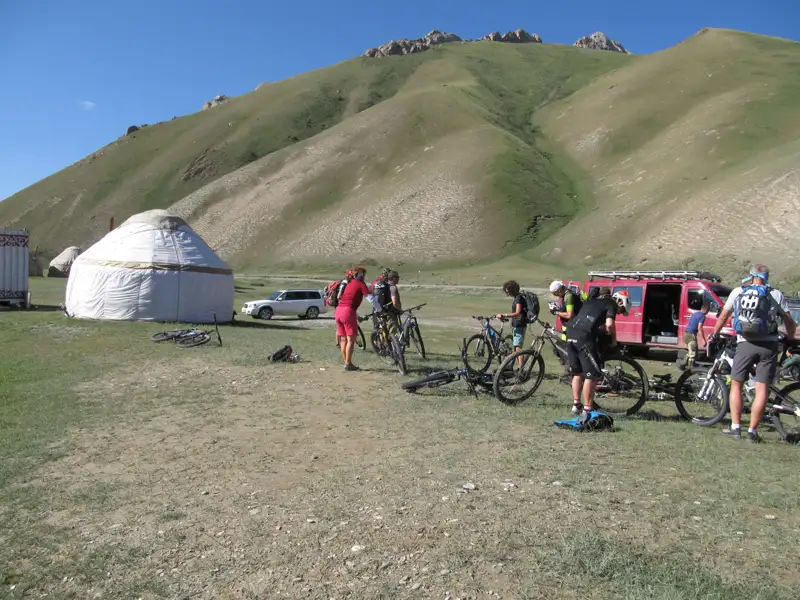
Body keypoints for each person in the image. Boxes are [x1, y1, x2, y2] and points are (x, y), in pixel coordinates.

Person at [709, 264, 795, 442]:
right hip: (768, 346)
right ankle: (752, 432)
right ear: (767, 276)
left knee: (736, 385)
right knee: (762, 389)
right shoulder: (775, 294)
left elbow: (724, 316)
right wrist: (790, 339)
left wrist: (715, 333)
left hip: (745, 343)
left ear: (751, 276)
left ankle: (736, 427)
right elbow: (789, 320)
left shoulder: (738, 291)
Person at [565, 289, 631, 416]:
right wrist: (612, 340)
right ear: (620, 301)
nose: (620, 313)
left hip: (571, 333)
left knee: (577, 373)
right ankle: (587, 410)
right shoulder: (611, 304)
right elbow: (610, 325)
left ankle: (576, 405)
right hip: (584, 337)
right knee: (591, 375)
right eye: (622, 310)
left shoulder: (591, 301)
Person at [335, 266, 370, 371]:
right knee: (351, 339)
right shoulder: (358, 283)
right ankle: (348, 363)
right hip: (348, 311)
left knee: (343, 339)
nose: (363, 276)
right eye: (363, 274)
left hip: (338, 311)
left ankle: (346, 362)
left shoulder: (348, 284)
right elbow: (369, 296)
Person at [497, 281, 527, 368]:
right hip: (517, 325)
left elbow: (517, 313)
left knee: (518, 348)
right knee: (516, 347)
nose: (507, 292)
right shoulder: (517, 297)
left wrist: (504, 315)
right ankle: (519, 367)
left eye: (508, 290)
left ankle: (520, 368)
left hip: (519, 325)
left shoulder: (518, 298)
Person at [683, 303, 709, 369]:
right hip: (691, 335)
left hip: (686, 334)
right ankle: (690, 368)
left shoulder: (695, 313)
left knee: (692, 351)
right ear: (706, 310)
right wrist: (703, 340)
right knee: (693, 353)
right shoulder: (702, 316)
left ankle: (683, 364)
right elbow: (699, 327)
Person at [334, 270, 354, 347]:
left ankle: (338, 342)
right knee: (340, 326)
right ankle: (338, 342)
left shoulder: (345, 283)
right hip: (342, 306)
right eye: (352, 276)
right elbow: (339, 296)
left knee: (340, 325)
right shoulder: (345, 283)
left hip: (341, 306)